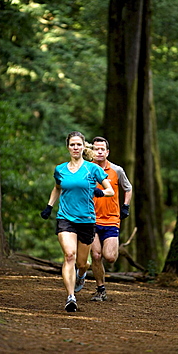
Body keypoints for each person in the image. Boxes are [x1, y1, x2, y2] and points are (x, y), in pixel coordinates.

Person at [40, 131, 114, 312]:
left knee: (82, 262)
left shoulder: (92, 169)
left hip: (87, 220)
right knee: (69, 256)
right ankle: (70, 297)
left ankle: (82, 273)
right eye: (72, 145)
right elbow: (57, 188)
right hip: (65, 218)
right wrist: (50, 206)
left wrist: (100, 192)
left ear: (83, 147)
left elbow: (110, 191)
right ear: (68, 147)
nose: (75, 148)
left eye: (78, 145)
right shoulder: (60, 170)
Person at [90, 136, 132, 301]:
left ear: (107, 152)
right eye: (96, 149)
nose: (99, 152)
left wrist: (126, 206)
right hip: (90, 219)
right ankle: (101, 289)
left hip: (111, 219)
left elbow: (128, 188)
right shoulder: (86, 169)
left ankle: (100, 284)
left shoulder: (117, 170)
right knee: (96, 255)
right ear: (91, 151)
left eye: (102, 149)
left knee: (110, 257)